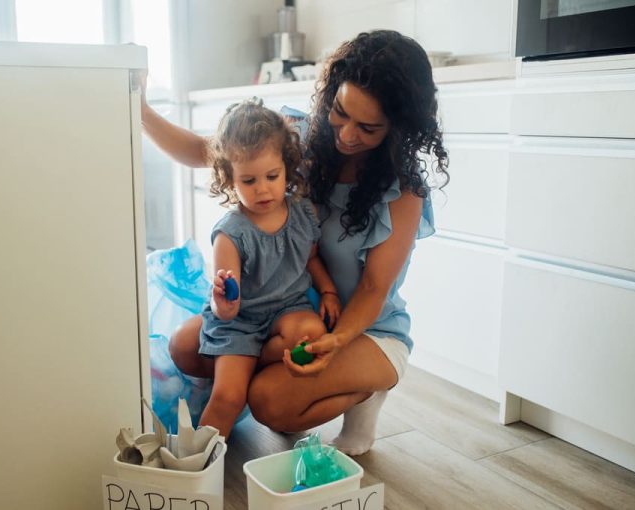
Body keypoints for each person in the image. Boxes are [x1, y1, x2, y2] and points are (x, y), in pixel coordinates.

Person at [141, 29, 449, 455]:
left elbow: (375, 289)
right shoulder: (298, 137)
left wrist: (337, 341)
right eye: (341, 112)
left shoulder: (404, 191)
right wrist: (138, 110)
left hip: (366, 329)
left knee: (269, 401)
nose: (346, 134)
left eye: (368, 127)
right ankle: (267, 380)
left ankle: (367, 388)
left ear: (397, 128)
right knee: (184, 347)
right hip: (289, 308)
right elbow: (206, 152)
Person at [190, 98, 341, 439]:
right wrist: (223, 304)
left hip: (288, 308)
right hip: (241, 321)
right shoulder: (230, 233)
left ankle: (252, 363)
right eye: (248, 181)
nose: (262, 189)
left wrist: (329, 290)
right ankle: (194, 468)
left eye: (272, 176)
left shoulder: (303, 213)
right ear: (229, 180)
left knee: (313, 333)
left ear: (287, 167)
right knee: (229, 396)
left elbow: (311, 257)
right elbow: (226, 303)